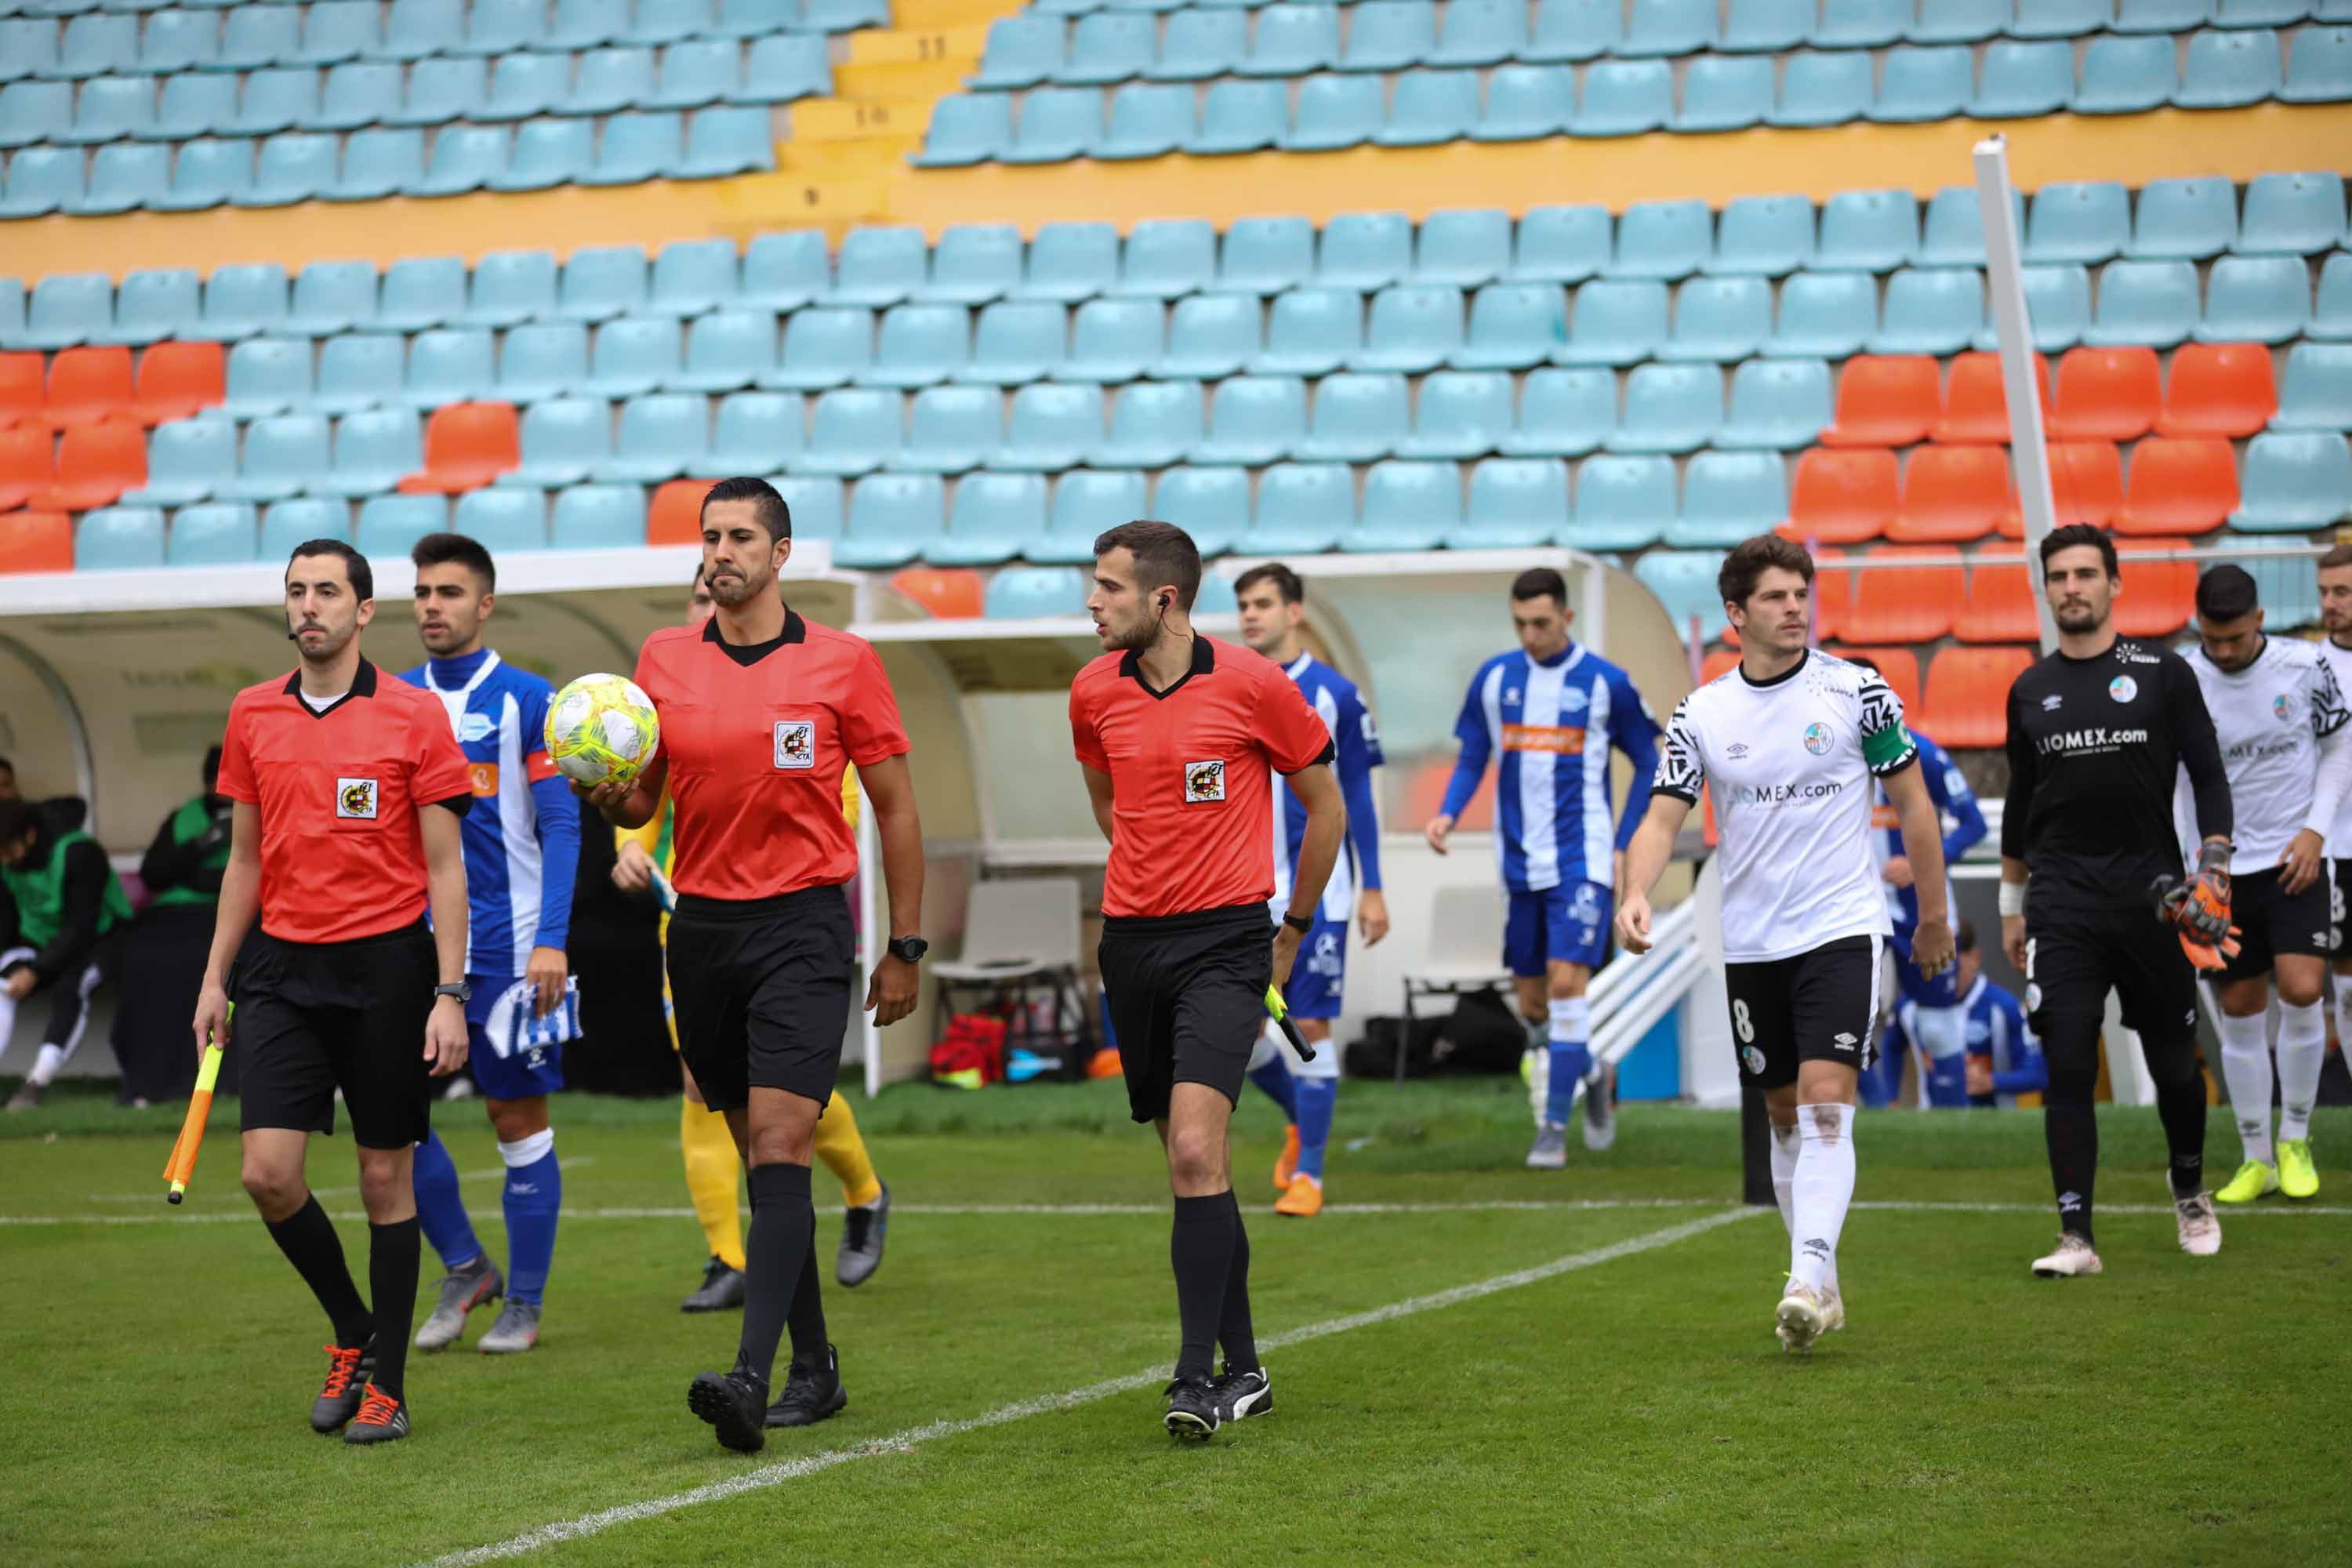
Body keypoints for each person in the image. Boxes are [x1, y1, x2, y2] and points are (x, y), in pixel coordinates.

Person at [581, 478, 924, 1454]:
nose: (721, 551)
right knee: (761, 1157)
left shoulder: (844, 663)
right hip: (702, 933)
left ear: (781, 555)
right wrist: (612, 799)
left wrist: (905, 945)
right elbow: (641, 792)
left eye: (741, 536)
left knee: (780, 1144)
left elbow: (897, 807)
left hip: (805, 927)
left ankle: (749, 1375)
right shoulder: (660, 658)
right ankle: (815, 1371)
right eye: (710, 536)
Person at [1617, 534, 1954, 1353]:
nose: (1794, 607)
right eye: (1774, 596)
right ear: (1736, 614)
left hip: (1843, 925)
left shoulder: (1857, 691)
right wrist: (1634, 891)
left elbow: (1913, 805)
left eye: (1800, 593)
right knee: (1779, 1109)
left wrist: (1933, 914)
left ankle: (1805, 1271)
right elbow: (1663, 815)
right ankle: (1821, 1286)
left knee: (1825, 1099)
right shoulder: (1704, 712)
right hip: (1754, 939)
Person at [192, 538, 474, 1444]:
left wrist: (450, 991)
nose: (308, 605)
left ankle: (387, 1385)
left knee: (385, 1177)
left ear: (363, 611)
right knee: (266, 1174)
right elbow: (244, 858)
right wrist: (214, 978)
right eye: (295, 590)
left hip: (389, 971)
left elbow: (446, 868)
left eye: (326, 591)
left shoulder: (413, 714)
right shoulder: (251, 712)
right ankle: (354, 1328)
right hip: (280, 970)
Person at [1072, 521, 1345, 1439]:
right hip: (1133, 948)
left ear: (1164, 599)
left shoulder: (1254, 684)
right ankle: (1249, 1367)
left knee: (1195, 1151)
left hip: (1230, 943)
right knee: (1198, 1167)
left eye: (1108, 586)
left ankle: (1195, 1377)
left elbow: (1327, 806)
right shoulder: (1090, 692)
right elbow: (1112, 803)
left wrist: (1292, 932)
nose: (1092, 601)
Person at [611, 565, 893, 1313]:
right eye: (698, 593)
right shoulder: (670, 671)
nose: (712, 601)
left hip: (796, 910)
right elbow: (648, 779)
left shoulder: (818, 674)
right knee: (705, 1089)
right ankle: (728, 1257)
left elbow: (835, 789)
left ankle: (863, 1192)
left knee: (785, 1105)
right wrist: (628, 842)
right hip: (697, 913)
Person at [1999, 524, 2235, 1279]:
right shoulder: (2029, 689)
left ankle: (2191, 1187)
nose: (2072, 587)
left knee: (2173, 1067)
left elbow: (2207, 773)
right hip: (2062, 902)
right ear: (2045, 587)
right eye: (2059, 576)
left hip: (2155, 898)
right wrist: (2013, 904)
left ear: (2114, 583)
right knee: (2066, 1058)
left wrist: (2217, 866)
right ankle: (2076, 1237)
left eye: (2085, 574)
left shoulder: (2164, 673)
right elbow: (2019, 807)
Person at [394, 533, 583, 1356]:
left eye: (449, 591)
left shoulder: (526, 698)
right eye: (423, 591)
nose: (433, 604)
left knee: (516, 1117)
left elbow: (564, 824)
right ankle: (467, 1266)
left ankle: (527, 1303)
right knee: (393, 1116)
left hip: (512, 949)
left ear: (485, 603)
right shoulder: (389, 698)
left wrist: (552, 939)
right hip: (412, 946)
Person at [1424, 567, 1661, 1167]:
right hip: (1519, 864)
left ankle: (1553, 1129)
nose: (1530, 635)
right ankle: (1595, 1072)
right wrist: (1448, 813)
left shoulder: (1606, 683)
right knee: (1532, 1005)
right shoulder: (1496, 678)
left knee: (1564, 988)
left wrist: (1627, 837)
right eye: (1520, 624)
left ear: (1567, 618)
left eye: (1541, 623)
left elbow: (1647, 758)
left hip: (1582, 860)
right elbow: (1476, 753)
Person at [2174, 565, 2350, 1205]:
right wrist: (2193, 865)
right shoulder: (2181, 679)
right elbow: (2174, 779)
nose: (2223, 652)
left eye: (2236, 640)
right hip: (2221, 871)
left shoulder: (2306, 668)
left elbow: (2338, 749)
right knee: (2242, 1008)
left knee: (2305, 990)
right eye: (2212, 640)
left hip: (2293, 859)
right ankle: (2255, 1156)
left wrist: (2315, 831)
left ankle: (2295, 1140)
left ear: (2260, 621)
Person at [1231, 562, 1388, 1218]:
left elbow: (1355, 795)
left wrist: (1374, 885)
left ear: (1295, 612)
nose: (1250, 615)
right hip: (1242, 893)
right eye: (1243, 605)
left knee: (1312, 1026)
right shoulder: (1226, 688)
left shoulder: (1335, 695)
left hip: (1318, 893)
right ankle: (1301, 1120)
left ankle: (1312, 1179)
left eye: (1263, 603)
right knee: (1239, 1039)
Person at [1843, 657, 1987, 1109]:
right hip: (1852, 908)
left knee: (1938, 1022)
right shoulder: (1818, 760)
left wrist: (1921, 860)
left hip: (1918, 909)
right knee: (1849, 1016)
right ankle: (1878, 1117)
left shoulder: (1919, 752)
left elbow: (1973, 823)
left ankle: (1953, 1126)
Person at [112, 746, 235, 1107]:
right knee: (144, 957)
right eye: (214, 780)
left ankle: (226, 1075)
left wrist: (202, 877)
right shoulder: (185, 818)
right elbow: (155, 874)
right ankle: (148, 1079)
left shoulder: (261, 809)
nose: (220, 788)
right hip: (175, 913)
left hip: (229, 915)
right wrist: (202, 844)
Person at [1, 793, 131, 1111]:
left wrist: (36, 971)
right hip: (41, 944)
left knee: (72, 986)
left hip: (102, 939)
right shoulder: (8, 862)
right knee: (3, 981)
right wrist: (24, 967)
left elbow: (80, 927)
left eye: (8, 851)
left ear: (30, 835)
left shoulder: (80, 853)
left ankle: (36, 1083)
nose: (5, 861)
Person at [1881, 921, 2045, 1109]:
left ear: (1974, 958)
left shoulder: (2002, 1007)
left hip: (1990, 1125)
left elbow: (2039, 1074)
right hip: (1930, 1123)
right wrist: (1890, 1098)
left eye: (1951, 964)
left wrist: (1991, 1082)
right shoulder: (1909, 1005)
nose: (1944, 974)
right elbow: (1891, 1047)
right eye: (1936, 964)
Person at [2313, 545, 2352, 1132]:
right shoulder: (2307, 668)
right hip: (2336, 849)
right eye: (2324, 593)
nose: (2330, 605)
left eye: (2342, 592)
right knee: (2345, 981)